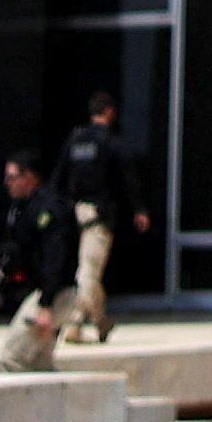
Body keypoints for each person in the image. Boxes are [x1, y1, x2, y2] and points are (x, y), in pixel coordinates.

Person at [52, 87, 146, 345]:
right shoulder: (111, 142)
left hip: (72, 216)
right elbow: (128, 180)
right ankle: (77, 322)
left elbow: (59, 179)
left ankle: (98, 319)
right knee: (88, 273)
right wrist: (138, 210)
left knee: (85, 272)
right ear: (110, 113)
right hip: (97, 216)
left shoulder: (75, 140)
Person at [0, 156, 74, 366]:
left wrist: (46, 306)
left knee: (13, 357)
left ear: (29, 178)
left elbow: (54, 259)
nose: (7, 183)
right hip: (47, 292)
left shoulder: (48, 209)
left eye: (11, 177)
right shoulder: (23, 208)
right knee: (39, 362)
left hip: (55, 294)